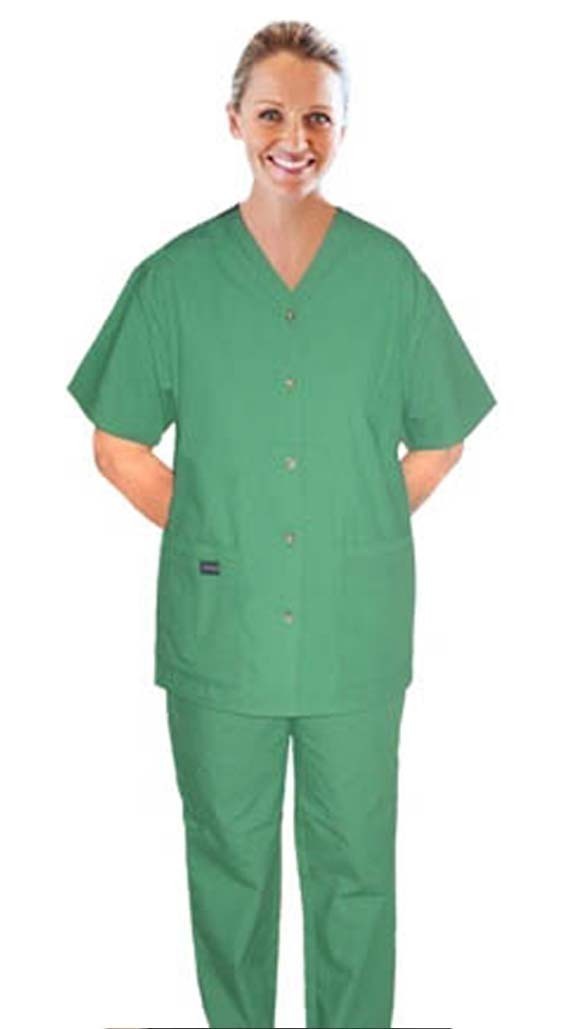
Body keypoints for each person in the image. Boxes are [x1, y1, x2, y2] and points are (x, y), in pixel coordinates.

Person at [66, 20, 497, 1029]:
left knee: (356, 868)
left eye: (317, 118)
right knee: (231, 867)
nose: (293, 138)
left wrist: (353, 526)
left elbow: (441, 440)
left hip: (354, 632)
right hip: (223, 634)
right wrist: (218, 530)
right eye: (270, 114)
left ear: (343, 130)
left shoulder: (387, 275)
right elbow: (117, 445)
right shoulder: (174, 280)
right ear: (233, 121)